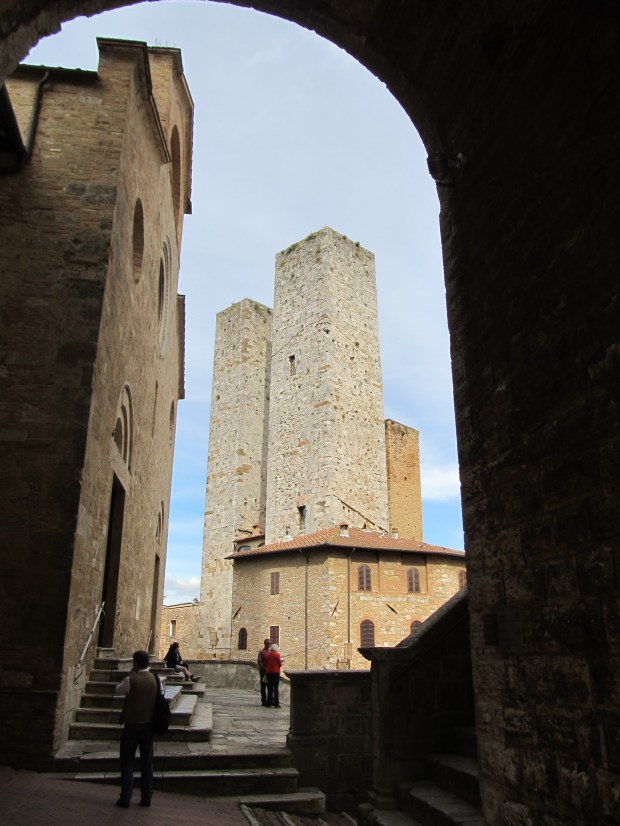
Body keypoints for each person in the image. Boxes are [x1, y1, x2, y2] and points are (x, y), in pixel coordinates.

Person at [114, 650, 160, 808]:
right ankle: (146, 797)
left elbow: (117, 690)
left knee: (127, 762)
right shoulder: (155, 679)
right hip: (148, 727)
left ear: (135, 663)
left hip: (132, 727)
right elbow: (159, 697)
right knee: (147, 764)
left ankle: (126, 797)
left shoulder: (130, 679)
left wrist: (130, 675)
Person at [265, 643, 283, 708]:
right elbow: (280, 664)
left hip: (269, 673)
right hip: (275, 673)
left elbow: (266, 663)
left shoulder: (268, 655)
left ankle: (268, 703)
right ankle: (276, 703)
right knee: (275, 688)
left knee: (269, 688)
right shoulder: (277, 655)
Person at [257, 637, 271, 706]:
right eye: (267, 643)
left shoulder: (270, 652)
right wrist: (264, 668)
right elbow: (259, 662)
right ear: (265, 644)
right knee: (263, 687)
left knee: (269, 687)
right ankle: (263, 701)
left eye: (269, 643)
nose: (269, 645)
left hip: (269, 672)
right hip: (263, 672)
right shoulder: (261, 652)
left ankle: (268, 701)